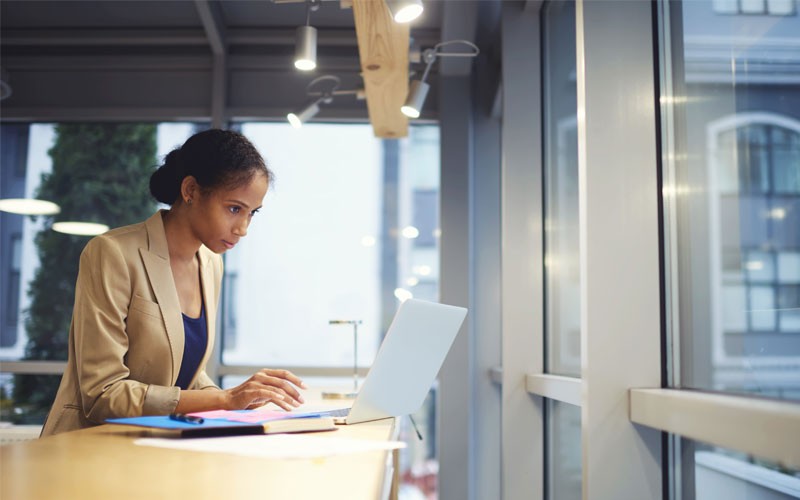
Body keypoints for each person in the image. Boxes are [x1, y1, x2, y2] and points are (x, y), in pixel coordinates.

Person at [41, 129, 305, 436]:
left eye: (252, 213)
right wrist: (226, 399)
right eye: (234, 209)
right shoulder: (112, 253)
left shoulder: (210, 264)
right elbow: (102, 394)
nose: (243, 228)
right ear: (190, 190)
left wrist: (241, 401)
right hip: (91, 447)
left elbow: (185, 378)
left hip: (158, 447)